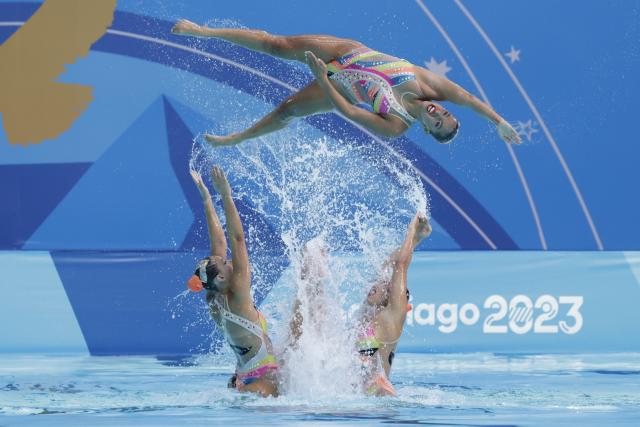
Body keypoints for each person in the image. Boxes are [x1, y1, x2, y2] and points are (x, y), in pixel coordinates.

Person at [171, 20, 521, 146]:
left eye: (438, 123)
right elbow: (469, 97)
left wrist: (324, 80)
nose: (439, 114)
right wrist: (499, 122)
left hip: (339, 86)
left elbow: (351, 112)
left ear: (428, 130)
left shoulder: (397, 124)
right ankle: (202, 31)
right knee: (276, 44)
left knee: (288, 110)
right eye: (446, 114)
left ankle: (237, 138)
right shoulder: (430, 85)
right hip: (349, 52)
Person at [187, 166, 279, 397]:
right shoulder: (238, 293)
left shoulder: (213, 295)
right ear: (221, 276)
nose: (230, 262)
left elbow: (218, 243)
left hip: (245, 373)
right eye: (226, 262)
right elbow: (237, 240)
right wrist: (226, 195)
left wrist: (207, 199)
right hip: (263, 379)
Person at [356, 213, 432, 396]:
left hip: (379, 394)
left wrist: (411, 231)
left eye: (383, 284)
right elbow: (387, 264)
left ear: (392, 296)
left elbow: (400, 264)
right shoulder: (369, 313)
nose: (375, 285)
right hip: (362, 397)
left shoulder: (389, 318)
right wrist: (416, 240)